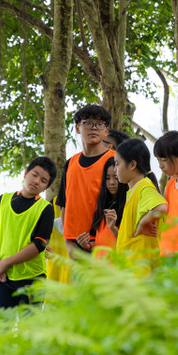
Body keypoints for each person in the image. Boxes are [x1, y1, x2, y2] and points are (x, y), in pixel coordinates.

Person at [0, 156, 57, 308]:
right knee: (1, 329)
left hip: (33, 279)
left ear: (46, 187)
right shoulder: (3, 200)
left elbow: (39, 244)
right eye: (34, 174)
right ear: (25, 173)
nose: (36, 181)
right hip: (4, 278)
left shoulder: (45, 209)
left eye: (43, 180)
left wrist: (4, 263)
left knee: (29, 331)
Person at [56, 104, 115, 256]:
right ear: (77, 128)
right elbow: (64, 205)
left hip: (106, 245)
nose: (94, 128)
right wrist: (68, 243)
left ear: (106, 131)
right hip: (76, 247)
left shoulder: (115, 160)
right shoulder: (70, 164)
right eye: (88, 123)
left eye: (99, 124)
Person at [114, 138, 168, 266]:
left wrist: (143, 223)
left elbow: (162, 207)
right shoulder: (135, 190)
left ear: (132, 165)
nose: (115, 169)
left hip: (141, 272)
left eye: (117, 163)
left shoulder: (144, 188)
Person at [76, 156, 125, 256]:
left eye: (116, 177)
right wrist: (86, 245)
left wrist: (114, 229)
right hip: (98, 268)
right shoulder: (101, 208)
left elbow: (129, 245)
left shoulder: (128, 206)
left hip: (118, 268)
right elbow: (97, 243)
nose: (111, 182)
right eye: (107, 178)